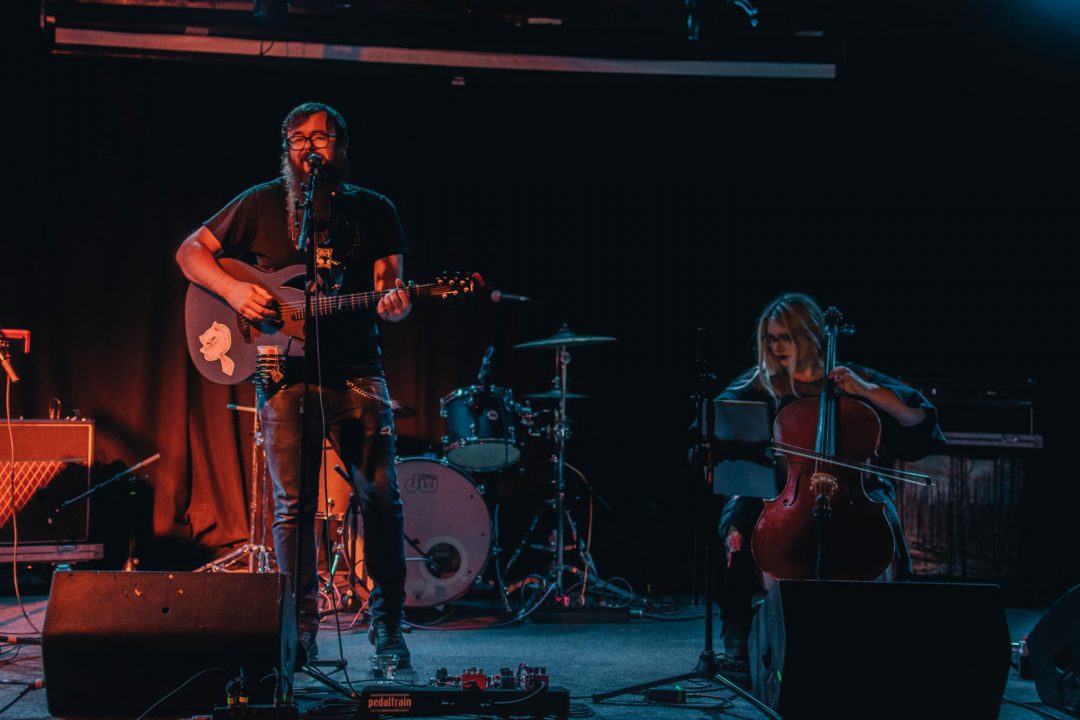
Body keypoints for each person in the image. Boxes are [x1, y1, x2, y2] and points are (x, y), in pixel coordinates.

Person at [176, 102, 413, 668]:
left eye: (323, 137)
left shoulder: (375, 210)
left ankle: (389, 628)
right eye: (300, 137)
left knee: (381, 496)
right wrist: (235, 293)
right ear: (287, 147)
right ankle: (299, 631)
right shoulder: (260, 203)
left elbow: (391, 294)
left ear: (341, 147)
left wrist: (397, 303)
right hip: (281, 371)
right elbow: (190, 252)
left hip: (356, 370)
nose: (312, 146)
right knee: (293, 507)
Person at [715, 292, 945, 663]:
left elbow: (917, 420)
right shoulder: (763, 382)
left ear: (810, 335)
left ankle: (892, 632)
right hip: (782, 493)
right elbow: (717, 423)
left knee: (887, 519)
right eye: (769, 338)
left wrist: (865, 391)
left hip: (855, 492)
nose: (775, 347)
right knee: (737, 522)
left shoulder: (854, 377)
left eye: (785, 337)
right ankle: (737, 636)